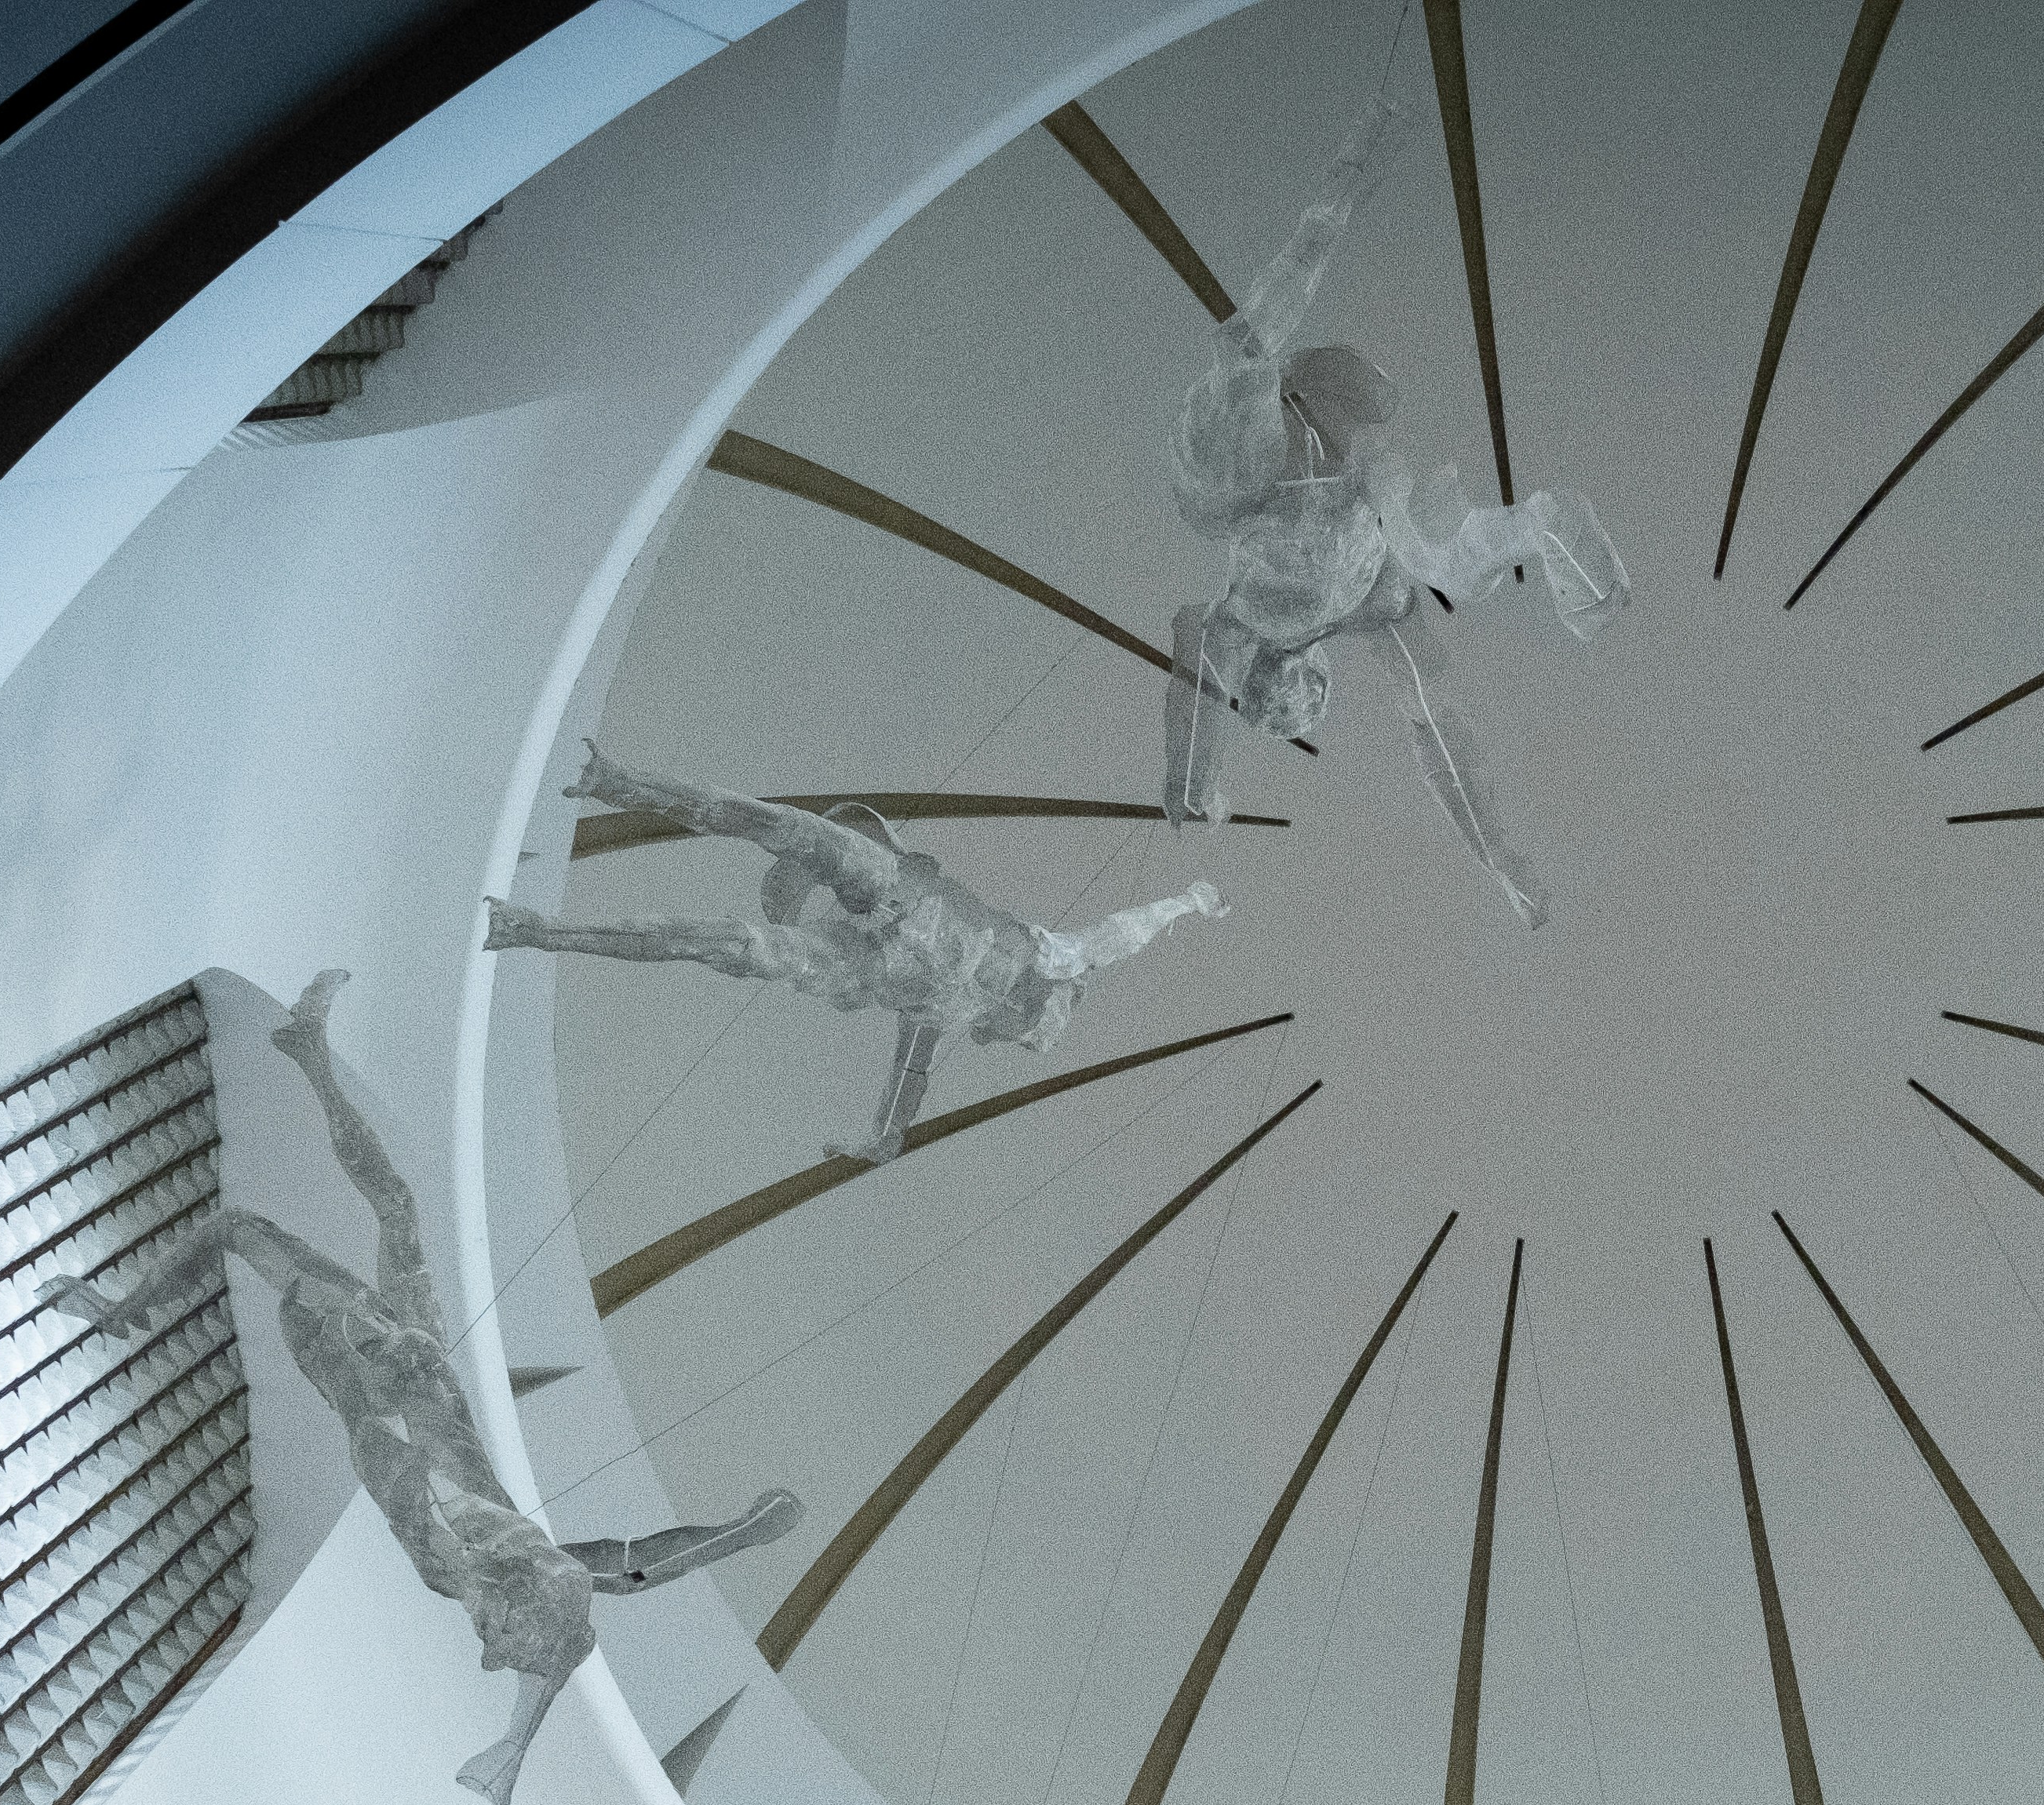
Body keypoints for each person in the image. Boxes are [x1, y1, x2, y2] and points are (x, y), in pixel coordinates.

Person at [40, 970, 794, 1805]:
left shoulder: (460, 1565)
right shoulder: (512, 1564)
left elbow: (578, 1613)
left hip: (382, 1359)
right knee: (390, 1204)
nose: (523, 1615)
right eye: (521, 1622)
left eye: (508, 1629)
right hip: (409, 1351)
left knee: (287, 1223)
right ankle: (309, 1055)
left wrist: (516, 1733)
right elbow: (615, 1577)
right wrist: (732, 1537)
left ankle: (295, 1073)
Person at [1163, 94, 1629, 926]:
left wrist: (1191, 777)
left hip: (1281, 469)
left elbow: (1196, 662)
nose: (1309, 707)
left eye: (1289, 711)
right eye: (1312, 712)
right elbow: (1440, 742)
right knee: (1438, 560)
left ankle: (1351, 167)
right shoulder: (1373, 616)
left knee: (1231, 405)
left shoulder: (1242, 624)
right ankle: (1541, 522)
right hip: (1360, 475)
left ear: (1273, 686)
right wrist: (1497, 857)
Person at [486, 751, 1222, 1163]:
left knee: (722, 944)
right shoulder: (1046, 959)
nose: (1021, 1033)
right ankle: (620, 783)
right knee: (791, 830)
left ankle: (539, 932)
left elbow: (908, 1089)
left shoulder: (939, 1017)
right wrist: (1184, 905)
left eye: (1024, 1037)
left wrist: (880, 1144)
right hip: (901, 898)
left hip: (854, 965)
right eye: (1037, 1024)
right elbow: (1116, 937)